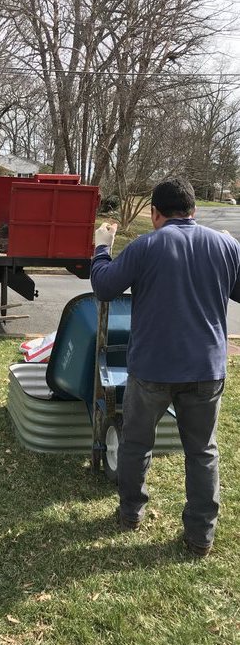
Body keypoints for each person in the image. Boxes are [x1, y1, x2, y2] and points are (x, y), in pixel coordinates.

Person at [90, 177, 240, 557]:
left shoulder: (146, 245)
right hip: (206, 369)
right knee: (202, 451)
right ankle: (200, 537)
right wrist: (231, 251)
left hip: (152, 369)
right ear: (194, 211)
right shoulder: (224, 245)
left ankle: (130, 514)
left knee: (137, 443)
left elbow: (105, 286)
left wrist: (101, 248)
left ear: (155, 214)